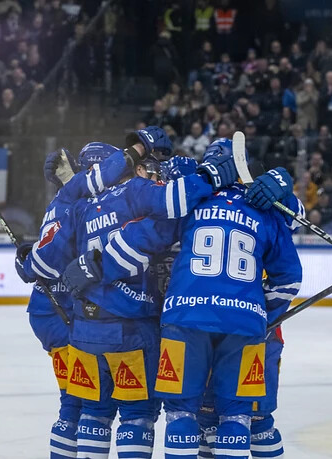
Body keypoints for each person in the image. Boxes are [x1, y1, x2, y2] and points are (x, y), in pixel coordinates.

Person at [61, 141, 302, 459]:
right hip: (245, 325)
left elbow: (139, 239)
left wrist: (95, 265)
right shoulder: (264, 205)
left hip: (185, 320)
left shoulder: (188, 200)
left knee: (182, 414)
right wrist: (261, 313)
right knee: (243, 417)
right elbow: (290, 272)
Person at [17, 134, 238, 458]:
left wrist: (27, 261)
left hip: (82, 329)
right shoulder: (137, 197)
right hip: (139, 327)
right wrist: (208, 178)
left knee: (84, 410)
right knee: (140, 414)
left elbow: (45, 263)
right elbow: (162, 220)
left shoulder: (74, 205)